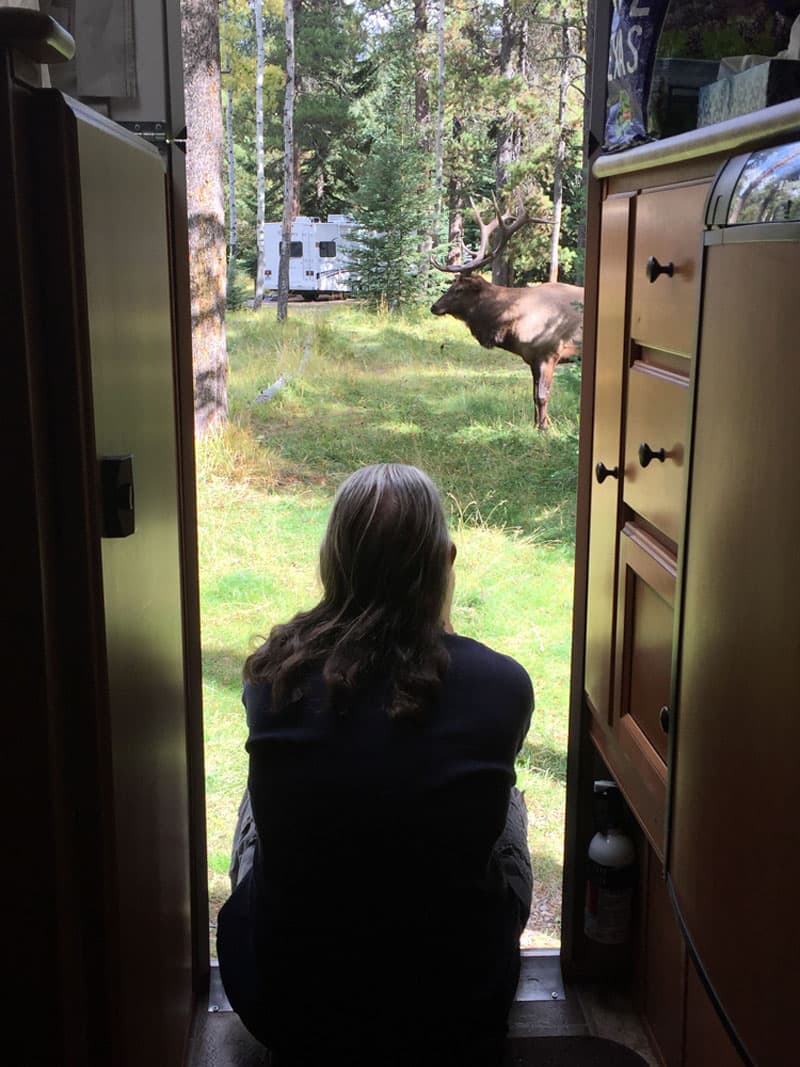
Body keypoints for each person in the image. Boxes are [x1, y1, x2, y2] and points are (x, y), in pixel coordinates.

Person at [217, 463, 534, 1066]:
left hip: (284, 1006)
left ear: (334, 560)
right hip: (456, 1008)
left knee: (257, 797)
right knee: (509, 800)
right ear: (446, 558)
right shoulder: (501, 684)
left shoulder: (271, 677)